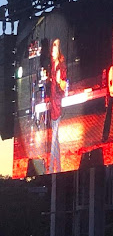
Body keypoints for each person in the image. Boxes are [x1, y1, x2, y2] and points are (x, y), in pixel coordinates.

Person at [49, 38, 67, 173]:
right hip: (52, 103)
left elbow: (62, 85)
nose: (52, 52)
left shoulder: (61, 65)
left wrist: (59, 80)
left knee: (54, 138)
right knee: (56, 138)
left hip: (57, 104)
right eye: (52, 50)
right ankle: (58, 167)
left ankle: (50, 168)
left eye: (54, 50)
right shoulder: (53, 65)